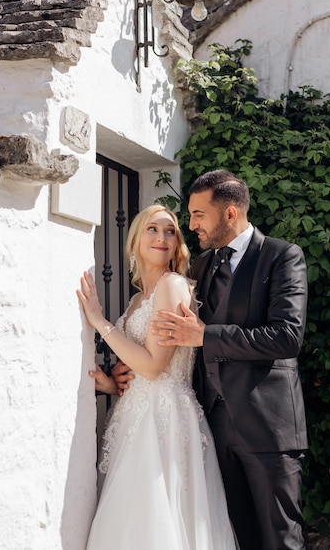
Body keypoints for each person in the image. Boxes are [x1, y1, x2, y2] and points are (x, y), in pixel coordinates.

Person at [149, 170, 309, 550]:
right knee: (235, 537)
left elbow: (287, 336)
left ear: (230, 213)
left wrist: (207, 335)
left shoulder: (282, 257)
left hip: (268, 425)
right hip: (212, 426)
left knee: (281, 539)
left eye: (199, 215)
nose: (191, 225)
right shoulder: (201, 268)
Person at [77, 204, 237, 550]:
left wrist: (100, 321)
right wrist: (110, 383)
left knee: (159, 519)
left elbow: (153, 367)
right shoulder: (137, 301)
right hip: (134, 417)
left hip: (164, 420)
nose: (162, 237)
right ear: (135, 240)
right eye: (153, 229)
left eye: (170, 231)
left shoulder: (173, 286)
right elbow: (137, 367)